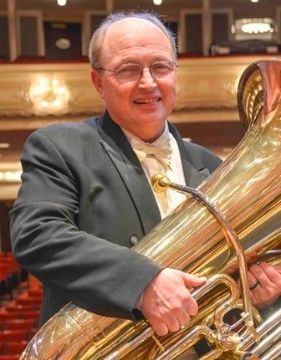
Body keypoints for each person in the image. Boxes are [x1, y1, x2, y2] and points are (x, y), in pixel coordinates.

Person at [10, 11, 281, 356]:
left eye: (161, 67)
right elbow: (37, 233)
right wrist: (142, 283)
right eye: (128, 69)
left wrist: (257, 289)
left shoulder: (212, 168)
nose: (149, 82)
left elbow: (229, 296)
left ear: (175, 75)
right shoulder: (60, 147)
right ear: (98, 82)